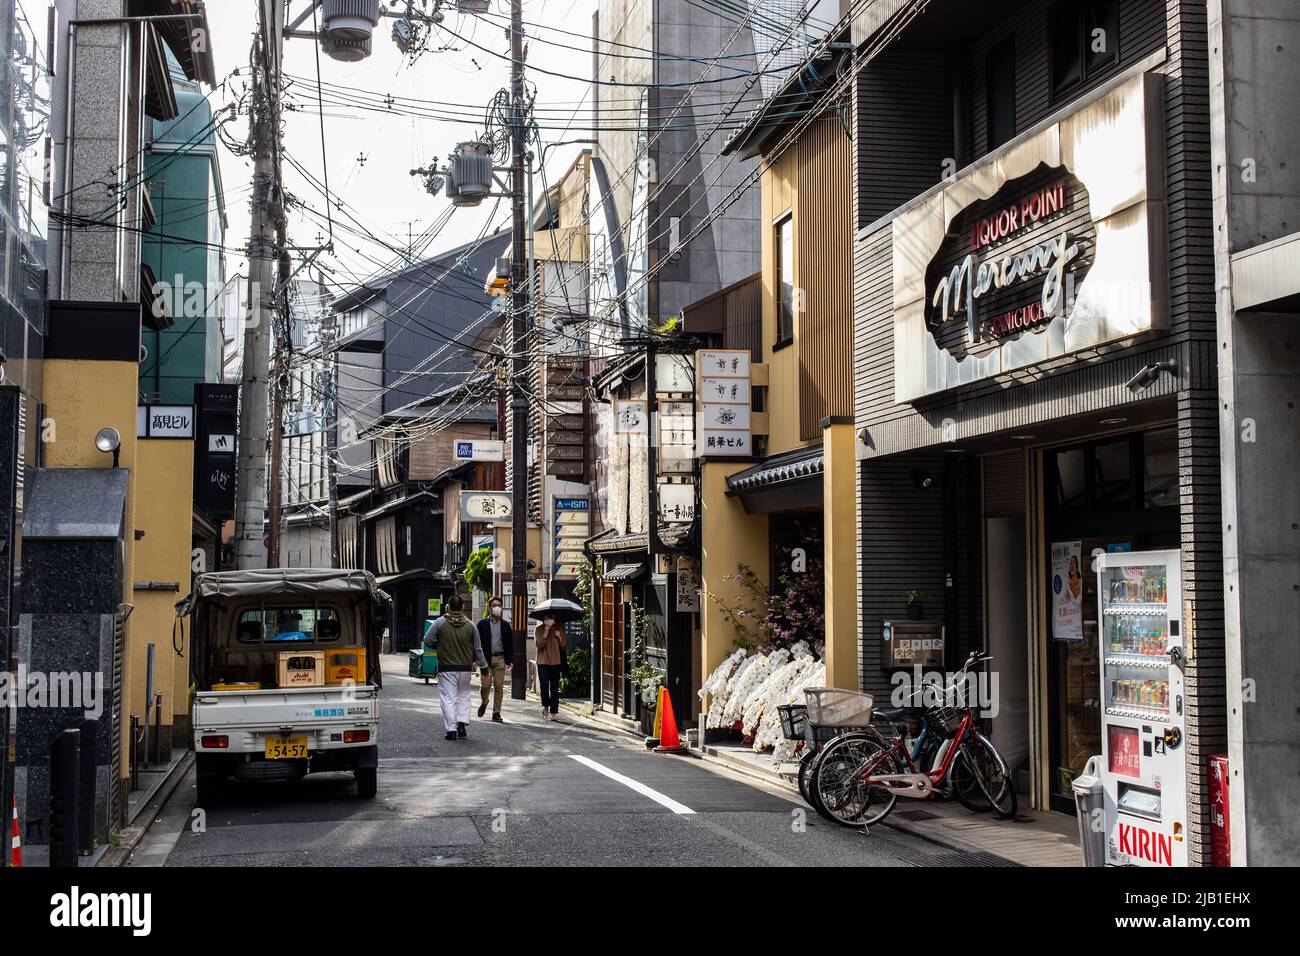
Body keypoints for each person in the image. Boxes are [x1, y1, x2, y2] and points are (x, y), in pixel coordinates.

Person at [435, 594, 487, 740]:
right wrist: (484, 667)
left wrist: (440, 645)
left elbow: (428, 639)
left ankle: (451, 730)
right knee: (463, 696)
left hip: (446, 668)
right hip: (465, 668)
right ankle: (462, 725)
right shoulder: (471, 625)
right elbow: (478, 649)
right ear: (463, 607)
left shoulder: (440, 622)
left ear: (449, 607)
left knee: (448, 698)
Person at [475, 596, 513, 722]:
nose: (497, 607)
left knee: (499, 686)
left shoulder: (506, 625)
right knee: (485, 685)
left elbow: (509, 643)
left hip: (500, 658)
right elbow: (476, 643)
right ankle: (484, 702)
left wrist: (510, 660)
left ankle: (496, 713)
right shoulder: (482, 624)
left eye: (499, 605)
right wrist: (475, 660)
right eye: (494, 605)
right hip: (485, 660)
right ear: (490, 608)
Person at [534, 614, 566, 721]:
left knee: (554, 688)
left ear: (554, 619)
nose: (549, 620)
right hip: (543, 662)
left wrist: (559, 636)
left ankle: (553, 712)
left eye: (551, 618)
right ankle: (545, 707)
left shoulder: (558, 629)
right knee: (544, 686)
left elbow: (563, 645)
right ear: (543, 619)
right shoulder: (539, 629)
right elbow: (539, 645)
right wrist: (545, 634)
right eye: (547, 618)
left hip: (555, 662)